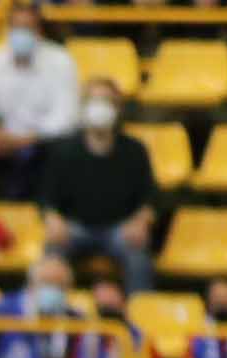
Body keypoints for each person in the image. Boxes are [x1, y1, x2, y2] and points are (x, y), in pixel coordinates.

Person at [35, 79, 157, 293]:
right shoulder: (64, 151)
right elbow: (47, 199)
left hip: (119, 230)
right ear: (83, 107)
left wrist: (141, 221)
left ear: (117, 109)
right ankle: (49, 312)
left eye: (107, 102)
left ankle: (140, 316)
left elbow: (149, 197)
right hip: (75, 229)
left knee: (139, 256)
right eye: (94, 101)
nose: (100, 108)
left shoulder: (135, 151)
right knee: (52, 252)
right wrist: (53, 219)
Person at [0, 0, 79, 203]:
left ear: (39, 31)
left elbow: (65, 119)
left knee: (61, 149)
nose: (20, 34)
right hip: (1, 142)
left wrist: (24, 140)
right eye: (15, 27)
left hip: (40, 142)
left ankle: (47, 212)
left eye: (27, 28)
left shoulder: (61, 61)